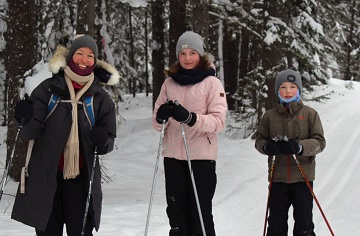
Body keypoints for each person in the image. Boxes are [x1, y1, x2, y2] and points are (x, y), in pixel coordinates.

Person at [11, 35, 119, 236]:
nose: (84, 60)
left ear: (95, 62)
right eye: (79, 54)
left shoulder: (100, 99)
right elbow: (29, 132)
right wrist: (22, 118)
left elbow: (108, 141)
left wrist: (103, 141)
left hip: (81, 180)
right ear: (70, 57)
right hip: (47, 177)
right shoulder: (48, 90)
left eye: (89, 56)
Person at [152, 31, 227, 236]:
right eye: (183, 53)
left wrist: (190, 118)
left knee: (200, 214)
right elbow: (157, 123)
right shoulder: (169, 83)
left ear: (200, 55)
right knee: (176, 215)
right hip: (173, 157)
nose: (187, 58)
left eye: (192, 53)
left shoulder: (212, 83)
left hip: (201, 158)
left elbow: (218, 122)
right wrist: (161, 116)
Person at [255, 69, 326, 236]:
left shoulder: (310, 114)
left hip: (303, 178)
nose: (288, 92)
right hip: (278, 177)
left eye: (292, 87)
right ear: (277, 91)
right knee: (276, 225)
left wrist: (300, 146)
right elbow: (259, 140)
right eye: (283, 87)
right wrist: (267, 147)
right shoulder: (269, 116)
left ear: (299, 90)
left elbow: (320, 142)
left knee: (304, 224)